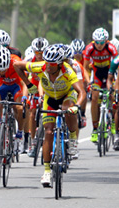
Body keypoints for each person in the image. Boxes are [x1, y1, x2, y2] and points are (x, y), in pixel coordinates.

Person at [14, 44, 86, 187]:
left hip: (66, 96)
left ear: (59, 64)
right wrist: (29, 85)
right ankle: (47, 171)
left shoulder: (67, 71)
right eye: (46, 62)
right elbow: (17, 65)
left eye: (51, 64)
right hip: (50, 99)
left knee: (68, 108)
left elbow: (82, 93)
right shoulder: (41, 66)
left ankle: (72, 139)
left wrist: (77, 106)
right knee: (48, 131)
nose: (48, 66)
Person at [0, 45, 26, 172]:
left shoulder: (16, 63)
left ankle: (19, 134)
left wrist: (24, 99)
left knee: (19, 108)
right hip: (1, 87)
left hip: (16, 86)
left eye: (4, 69)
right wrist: (0, 117)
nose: (2, 73)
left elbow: (25, 83)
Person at [83, 28, 117, 143]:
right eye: (97, 42)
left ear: (106, 41)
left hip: (109, 72)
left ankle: (113, 122)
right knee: (94, 98)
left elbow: (116, 65)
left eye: (102, 42)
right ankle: (95, 129)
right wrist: (88, 83)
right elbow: (85, 68)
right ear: (94, 41)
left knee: (112, 96)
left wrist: (114, 83)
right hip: (96, 74)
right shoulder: (89, 48)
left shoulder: (111, 48)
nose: (99, 45)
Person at [26, 37, 49, 158]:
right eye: (37, 53)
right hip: (35, 84)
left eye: (41, 53)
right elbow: (24, 77)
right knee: (32, 112)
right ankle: (33, 141)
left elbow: (44, 80)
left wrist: (43, 95)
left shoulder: (49, 59)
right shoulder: (30, 59)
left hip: (47, 84)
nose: (39, 56)